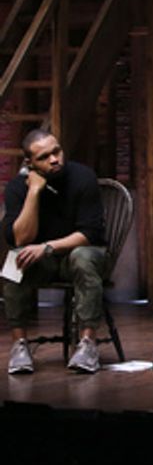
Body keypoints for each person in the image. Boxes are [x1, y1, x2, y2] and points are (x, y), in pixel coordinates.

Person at [4, 129, 107, 374]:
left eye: (56, 152)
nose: (54, 160)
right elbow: (20, 238)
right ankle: (19, 344)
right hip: (45, 262)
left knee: (82, 257)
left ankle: (88, 344)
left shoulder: (82, 177)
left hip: (84, 254)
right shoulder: (17, 187)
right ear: (29, 163)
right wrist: (33, 192)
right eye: (44, 157)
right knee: (13, 261)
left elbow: (89, 233)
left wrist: (47, 247)